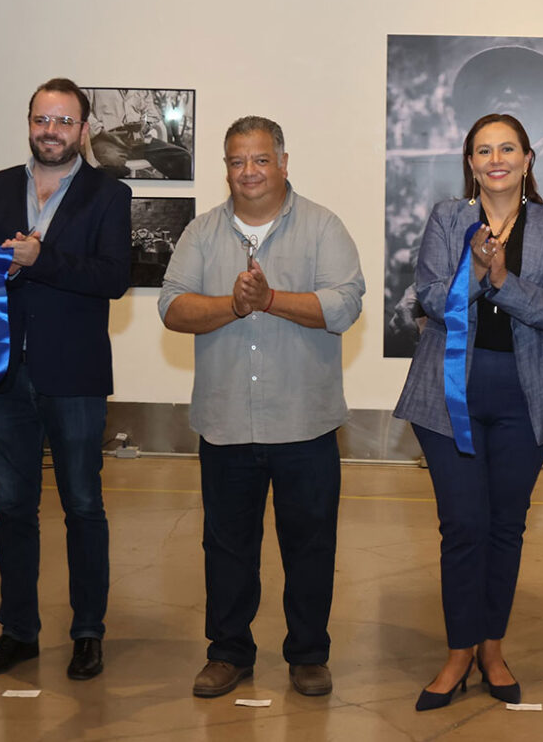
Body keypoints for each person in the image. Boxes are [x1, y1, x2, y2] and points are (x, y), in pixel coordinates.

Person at [158, 116, 365, 698]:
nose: (248, 171)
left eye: (260, 159)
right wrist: (233, 304)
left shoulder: (323, 227)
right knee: (226, 549)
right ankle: (228, 653)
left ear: (283, 162)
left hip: (305, 423)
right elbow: (172, 308)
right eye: (236, 161)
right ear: (226, 168)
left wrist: (269, 299)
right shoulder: (201, 233)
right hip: (225, 423)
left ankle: (308, 655)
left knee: (310, 547)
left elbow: (345, 305)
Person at [394, 113, 543, 711]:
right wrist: (475, 271)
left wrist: (501, 278)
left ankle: (492, 648)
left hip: (527, 398)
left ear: (527, 159)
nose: (495, 159)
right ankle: (458, 652)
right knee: (462, 527)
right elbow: (429, 297)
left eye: (507, 149)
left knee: (505, 527)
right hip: (448, 397)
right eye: (483, 150)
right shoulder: (448, 218)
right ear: (470, 163)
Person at [0, 77, 132, 681]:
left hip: (74, 376)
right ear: (29, 123)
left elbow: (113, 277)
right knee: (11, 508)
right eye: (41, 120)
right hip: (6, 376)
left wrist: (39, 259)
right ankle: (18, 632)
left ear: (84, 129)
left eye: (63, 121)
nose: (50, 131)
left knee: (83, 506)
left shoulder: (110, 194)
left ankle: (88, 633)